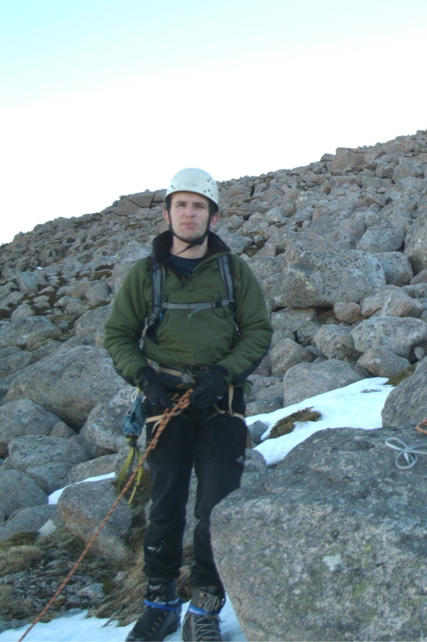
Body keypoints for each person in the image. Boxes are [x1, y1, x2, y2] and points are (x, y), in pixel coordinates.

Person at [105, 168, 273, 641]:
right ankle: (160, 603)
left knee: (216, 506)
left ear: (213, 216)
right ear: (167, 214)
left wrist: (224, 374)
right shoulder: (145, 274)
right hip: (166, 402)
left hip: (220, 401)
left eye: (199, 206)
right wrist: (143, 376)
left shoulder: (233, 270)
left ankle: (205, 609)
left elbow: (258, 330)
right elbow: (119, 334)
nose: (189, 213)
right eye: (181, 204)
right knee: (164, 504)